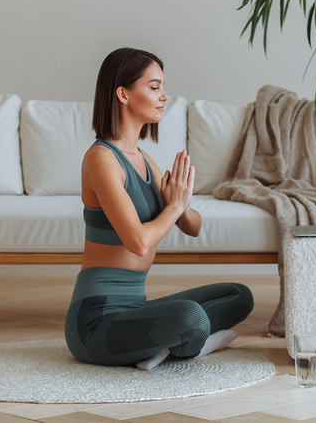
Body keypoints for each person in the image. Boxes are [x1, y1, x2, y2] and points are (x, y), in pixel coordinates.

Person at [64, 48, 254, 370]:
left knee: (238, 295)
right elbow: (137, 241)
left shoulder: (144, 160)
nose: (164, 96)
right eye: (154, 87)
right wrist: (173, 206)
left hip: (133, 308)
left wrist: (181, 202)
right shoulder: (101, 159)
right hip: (96, 323)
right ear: (123, 94)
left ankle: (161, 344)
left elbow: (192, 227)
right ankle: (180, 343)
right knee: (189, 317)